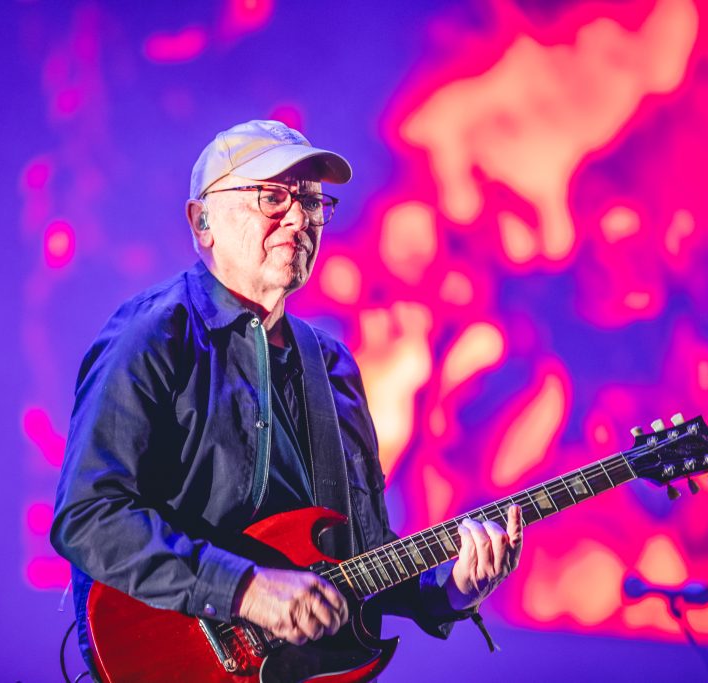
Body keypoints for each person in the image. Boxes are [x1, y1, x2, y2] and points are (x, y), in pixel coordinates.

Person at [51, 120, 524, 679]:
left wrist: (447, 591)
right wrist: (244, 590)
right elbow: (87, 516)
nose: (299, 218)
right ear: (202, 222)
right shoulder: (154, 334)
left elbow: (356, 553)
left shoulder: (332, 365)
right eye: (272, 197)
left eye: (313, 201)